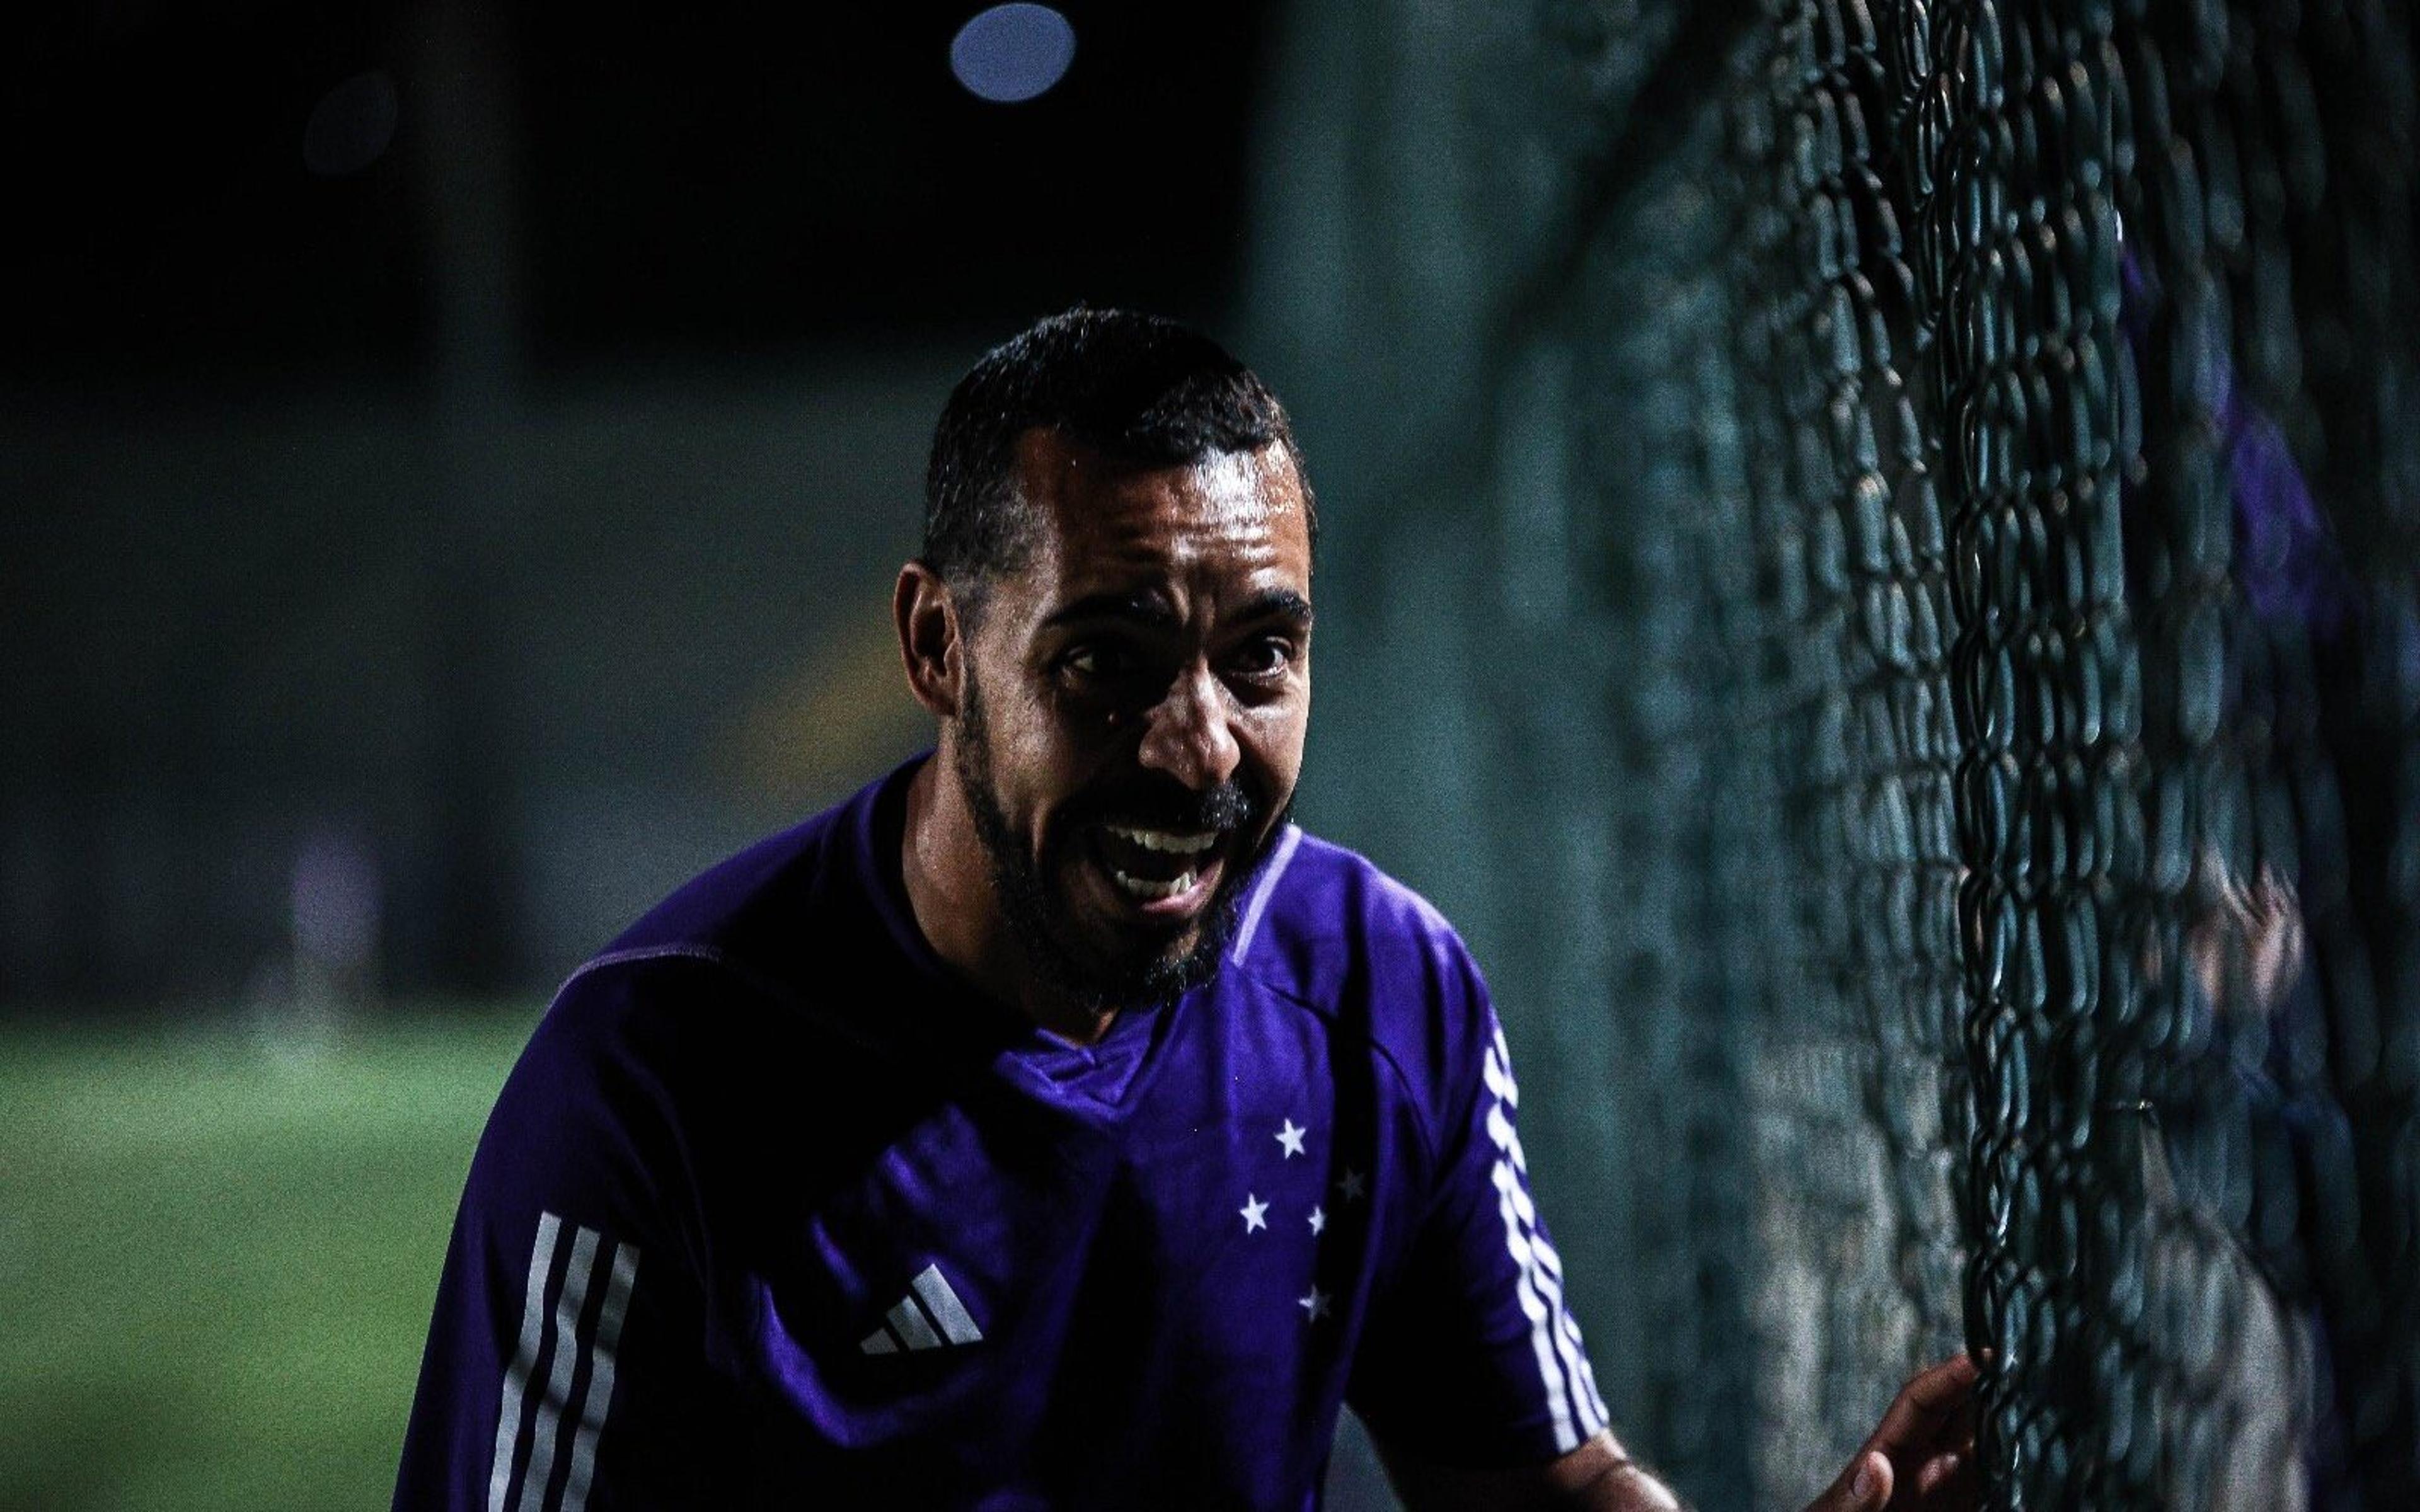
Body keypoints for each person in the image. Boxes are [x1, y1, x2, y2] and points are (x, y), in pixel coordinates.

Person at [394, 308, 1977, 1510]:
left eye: (1261, 657)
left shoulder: (1380, 992)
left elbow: (1543, 1487)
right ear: (939, 647)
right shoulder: (653, 1079)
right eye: (1110, 661)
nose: (1202, 743)